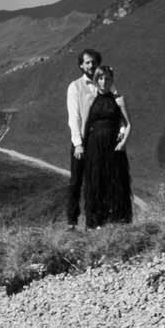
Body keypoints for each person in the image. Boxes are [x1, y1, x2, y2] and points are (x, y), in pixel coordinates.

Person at [74, 64, 133, 228]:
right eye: (100, 78)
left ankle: (118, 220)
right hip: (94, 147)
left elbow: (128, 124)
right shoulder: (91, 100)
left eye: (107, 78)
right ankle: (95, 222)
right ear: (96, 80)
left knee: (115, 181)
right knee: (95, 182)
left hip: (113, 147)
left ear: (111, 80)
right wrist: (82, 145)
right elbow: (85, 124)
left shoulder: (118, 100)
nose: (104, 81)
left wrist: (122, 143)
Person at [63, 50, 104, 227]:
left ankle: (92, 222)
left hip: (99, 141)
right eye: (87, 62)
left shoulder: (104, 84)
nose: (91, 65)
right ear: (81, 65)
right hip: (82, 141)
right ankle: (72, 221)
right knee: (76, 181)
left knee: (94, 182)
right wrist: (78, 143)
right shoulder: (75, 87)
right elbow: (74, 116)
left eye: (93, 62)